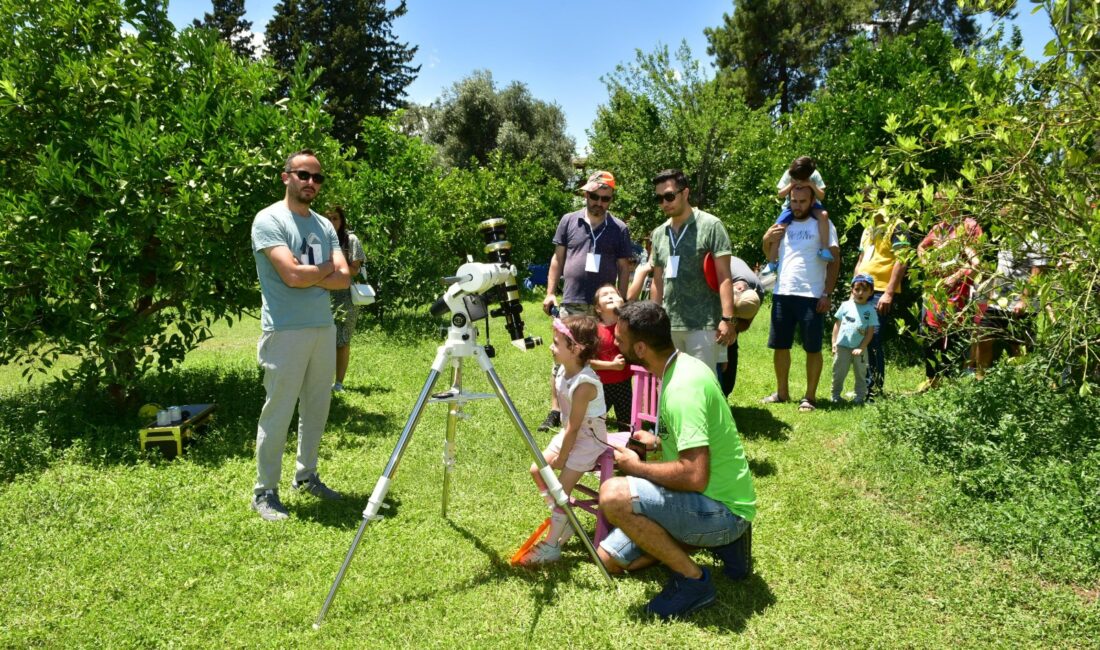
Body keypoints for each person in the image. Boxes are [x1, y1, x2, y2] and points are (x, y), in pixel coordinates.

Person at [597, 301, 756, 620]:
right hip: (702, 499)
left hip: (719, 507)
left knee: (614, 496)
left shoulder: (683, 387)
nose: (614, 342)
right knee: (607, 559)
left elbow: (694, 474)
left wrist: (635, 467)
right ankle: (717, 544)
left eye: (620, 339)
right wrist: (657, 442)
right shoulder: (682, 366)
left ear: (640, 348)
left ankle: (694, 581)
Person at [249, 149, 349, 521]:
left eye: (317, 178)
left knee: (317, 409)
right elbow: (290, 275)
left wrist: (312, 273)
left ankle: (306, 477)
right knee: (278, 412)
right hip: (284, 331)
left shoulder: (323, 225)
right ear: (285, 176)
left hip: (322, 327)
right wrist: (322, 272)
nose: (311, 183)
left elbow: (344, 278)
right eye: (303, 175)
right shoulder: (269, 220)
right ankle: (265, 491)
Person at [538, 171, 633, 431]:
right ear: (585, 194)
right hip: (571, 301)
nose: (599, 203)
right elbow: (558, 259)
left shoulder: (619, 228)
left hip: (602, 308)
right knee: (563, 359)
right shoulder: (568, 221)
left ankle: (593, 409)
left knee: (598, 357)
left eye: (605, 198)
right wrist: (549, 292)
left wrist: (621, 300)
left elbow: (624, 267)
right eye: (594, 196)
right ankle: (556, 411)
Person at [519, 315, 608, 564]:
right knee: (537, 470)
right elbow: (568, 424)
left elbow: (575, 426)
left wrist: (562, 456)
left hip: (588, 439)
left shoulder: (584, 384)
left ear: (576, 349)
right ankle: (564, 517)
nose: (551, 347)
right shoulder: (562, 371)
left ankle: (551, 547)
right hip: (571, 433)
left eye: (557, 343)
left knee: (559, 489)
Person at [648, 169, 738, 373]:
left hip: (703, 323)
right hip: (668, 324)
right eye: (659, 198)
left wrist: (727, 319)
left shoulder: (711, 225)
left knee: (702, 385)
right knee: (669, 385)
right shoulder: (659, 233)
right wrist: (653, 321)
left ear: (685, 193)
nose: (664, 203)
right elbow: (657, 281)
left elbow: (724, 276)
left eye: (669, 196)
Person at [761, 185, 840, 412]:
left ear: (812, 199)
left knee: (813, 348)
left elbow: (835, 260)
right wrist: (767, 239)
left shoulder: (823, 225)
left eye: (802, 202)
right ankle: (782, 393)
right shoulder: (784, 223)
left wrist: (827, 292)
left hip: (811, 295)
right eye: (794, 201)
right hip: (782, 292)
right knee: (780, 345)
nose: (797, 206)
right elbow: (770, 257)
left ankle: (810, 396)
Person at [916, 194, 982, 390]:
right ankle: (933, 381)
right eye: (935, 201)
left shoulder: (969, 225)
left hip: (959, 292)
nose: (937, 205)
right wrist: (926, 262)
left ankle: (954, 385)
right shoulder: (939, 228)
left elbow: (977, 264)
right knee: (930, 334)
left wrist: (954, 277)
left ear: (955, 200)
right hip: (936, 291)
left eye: (941, 200)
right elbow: (921, 246)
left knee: (956, 336)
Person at [853, 193, 909, 399]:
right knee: (859, 338)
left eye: (868, 200)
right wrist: (854, 289)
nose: (864, 205)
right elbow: (861, 260)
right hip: (862, 290)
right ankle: (862, 386)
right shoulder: (868, 227)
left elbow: (902, 259)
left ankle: (874, 390)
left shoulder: (897, 224)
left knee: (873, 338)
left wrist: (889, 292)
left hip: (880, 291)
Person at [323, 206, 366, 393]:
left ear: (342, 220)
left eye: (335, 218)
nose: (332, 222)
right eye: (329, 218)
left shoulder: (351, 240)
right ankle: (322, 381)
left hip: (345, 296)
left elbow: (355, 269)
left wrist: (331, 268)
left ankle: (338, 383)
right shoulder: (318, 239)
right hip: (322, 294)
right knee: (322, 341)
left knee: (342, 340)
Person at [766, 156, 832, 273]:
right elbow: (780, 194)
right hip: (790, 206)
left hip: (812, 205)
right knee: (778, 229)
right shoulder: (789, 173)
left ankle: (825, 249)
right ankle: (771, 262)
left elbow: (821, 195)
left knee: (824, 215)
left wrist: (811, 184)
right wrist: (791, 184)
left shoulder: (815, 175)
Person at [718, 256, 763, 398]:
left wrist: (732, 328)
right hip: (718, 289)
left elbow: (745, 324)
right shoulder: (723, 275)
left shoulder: (757, 293)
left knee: (730, 341)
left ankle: (724, 391)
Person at [831, 274, 879, 404]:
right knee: (838, 372)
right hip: (842, 346)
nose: (860, 293)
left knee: (861, 373)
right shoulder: (845, 305)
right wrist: (834, 342)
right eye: (857, 289)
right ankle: (835, 395)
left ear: (871, 292)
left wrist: (861, 347)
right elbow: (837, 324)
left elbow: (870, 332)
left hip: (860, 348)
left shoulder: (871, 310)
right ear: (852, 290)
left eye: (864, 290)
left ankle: (859, 397)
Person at [589, 284, 632, 429]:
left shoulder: (628, 325)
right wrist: (612, 366)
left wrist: (623, 309)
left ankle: (627, 447)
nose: (610, 295)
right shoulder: (593, 330)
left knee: (626, 424)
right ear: (598, 308)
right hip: (601, 385)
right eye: (605, 294)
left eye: (614, 293)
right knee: (593, 423)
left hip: (624, 384)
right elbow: (586, 361)